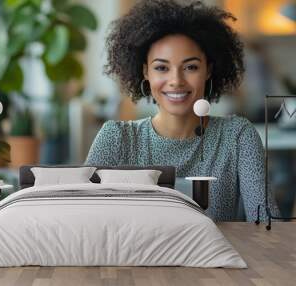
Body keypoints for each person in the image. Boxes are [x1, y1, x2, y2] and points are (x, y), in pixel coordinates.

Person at [85, 0, 279, 222]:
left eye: (191, 67)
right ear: (145, 71)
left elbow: (267, 223)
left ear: (208, 70)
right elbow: (84, 221)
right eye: (161, 68)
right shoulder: (117, 138)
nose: (176, 81)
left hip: (215, 257)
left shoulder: (237, 137)